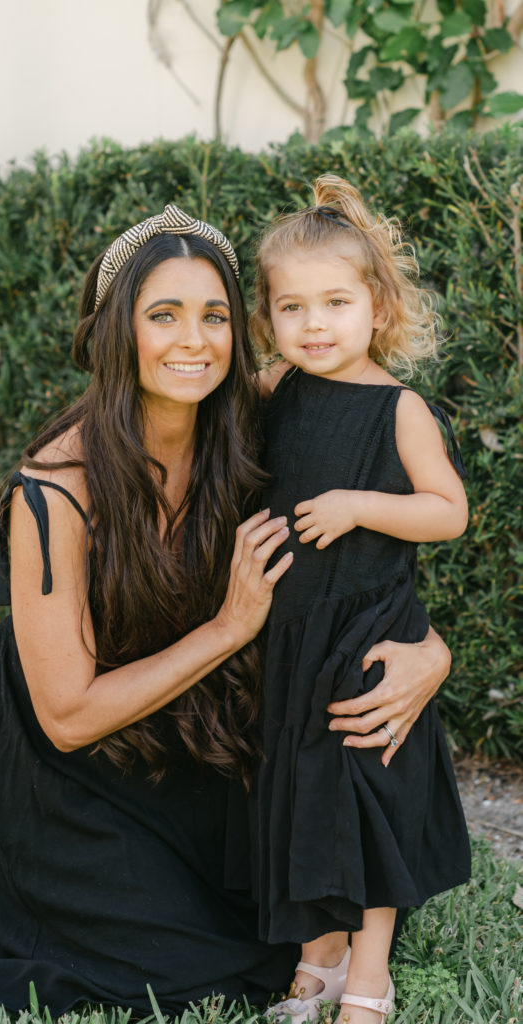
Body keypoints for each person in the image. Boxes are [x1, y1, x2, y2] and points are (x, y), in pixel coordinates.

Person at [0, 204, 454, 1017]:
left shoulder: (256, 426)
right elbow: (67, 716)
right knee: (181, 961)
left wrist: (431, 652)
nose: (192, 341)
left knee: (282, 915)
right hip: (67, 756)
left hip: (190, 729)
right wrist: (231, 627)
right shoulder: (56, 490)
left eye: (214, 316)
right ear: (114, 332)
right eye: (163, 315)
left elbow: (358, 564)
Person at [247, 177, 471, 1024]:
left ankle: (368, 978)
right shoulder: (276, 391)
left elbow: (446, 510)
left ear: (376, 308)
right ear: (269, 318)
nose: (314, 324)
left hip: (370, 634)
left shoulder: (398, 408)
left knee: (367, 800)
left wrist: (358, 506)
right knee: (303, 798)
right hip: (294, 636)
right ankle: (319, 957)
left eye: (335, 303)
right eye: (292, 307)